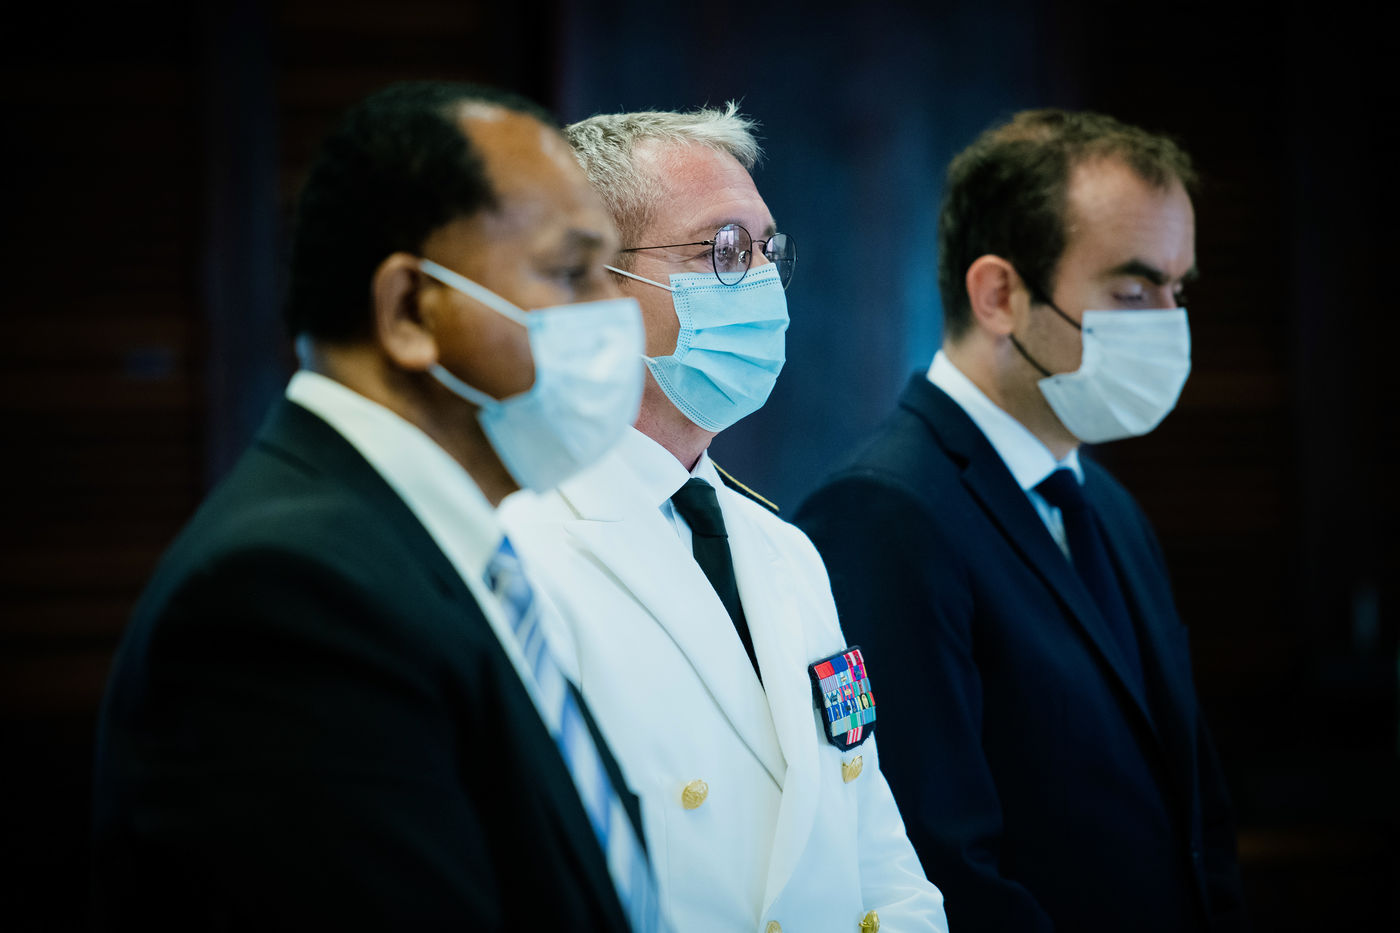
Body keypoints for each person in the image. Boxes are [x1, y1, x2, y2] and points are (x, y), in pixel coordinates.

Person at [92, 82, 666, 931]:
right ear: (408, 311)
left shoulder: (430, 550)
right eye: (571, 272)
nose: (620, 316)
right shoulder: (291, 594)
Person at [794, 109, 1248, 932]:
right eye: (1134, 290)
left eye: (1178, 290)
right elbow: (938, 860)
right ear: (1000, 294)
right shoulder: (884, 509)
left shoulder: (1104, 502)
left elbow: (1193, 811)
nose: (1170, 321)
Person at [499, 105, 948, 933]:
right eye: (725, 250)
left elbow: (879, 856)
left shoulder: (786, 551)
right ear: (591, 282)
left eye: (768, 251)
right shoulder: (518, 550)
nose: (764, 283)